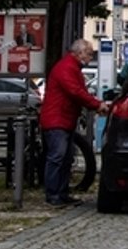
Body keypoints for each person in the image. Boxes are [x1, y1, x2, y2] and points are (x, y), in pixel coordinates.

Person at [40, 38, 108, 207]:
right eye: (89, 54)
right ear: (79, 53)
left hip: (63, 119)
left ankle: (61, 193)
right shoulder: (67, 68)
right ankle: (53, 194)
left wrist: (95, 104)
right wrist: (97, 105)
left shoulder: (72, 68)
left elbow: (79, 93)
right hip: (57, 119)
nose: (90, 57)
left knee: (66, 158)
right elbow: (76, 92)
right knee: (58, 157)